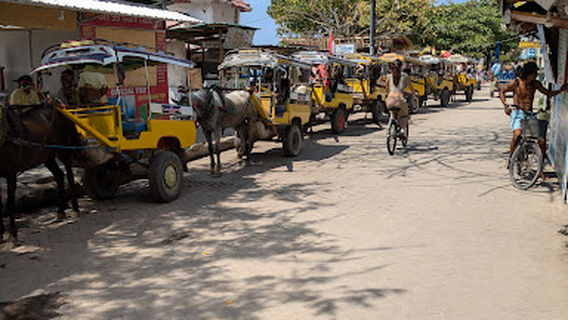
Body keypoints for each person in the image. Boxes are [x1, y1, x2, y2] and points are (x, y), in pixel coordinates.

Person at [499, 61, 567, 167]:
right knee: (517, 134)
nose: (536, 75)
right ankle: (511, 159)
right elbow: (502, 91)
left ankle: (541, 168)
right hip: (518, 112)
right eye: (534, 73)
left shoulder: (535, 84)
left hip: (530, 114)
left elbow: (548, 93)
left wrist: (560, 90)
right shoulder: (517, 82)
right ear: (529, 73)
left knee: (541, 140)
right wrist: (506, 105)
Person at [385, 59, 417, 138]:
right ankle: (402, 130)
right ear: (401, 66)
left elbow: (387, 89)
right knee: (404, 115)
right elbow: (411, 88)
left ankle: (390, 123)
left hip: (389, 100)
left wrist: (387, 95)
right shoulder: (405, 76)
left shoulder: (389, 76)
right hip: (400, 99)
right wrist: (414, 95)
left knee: (392, 112)